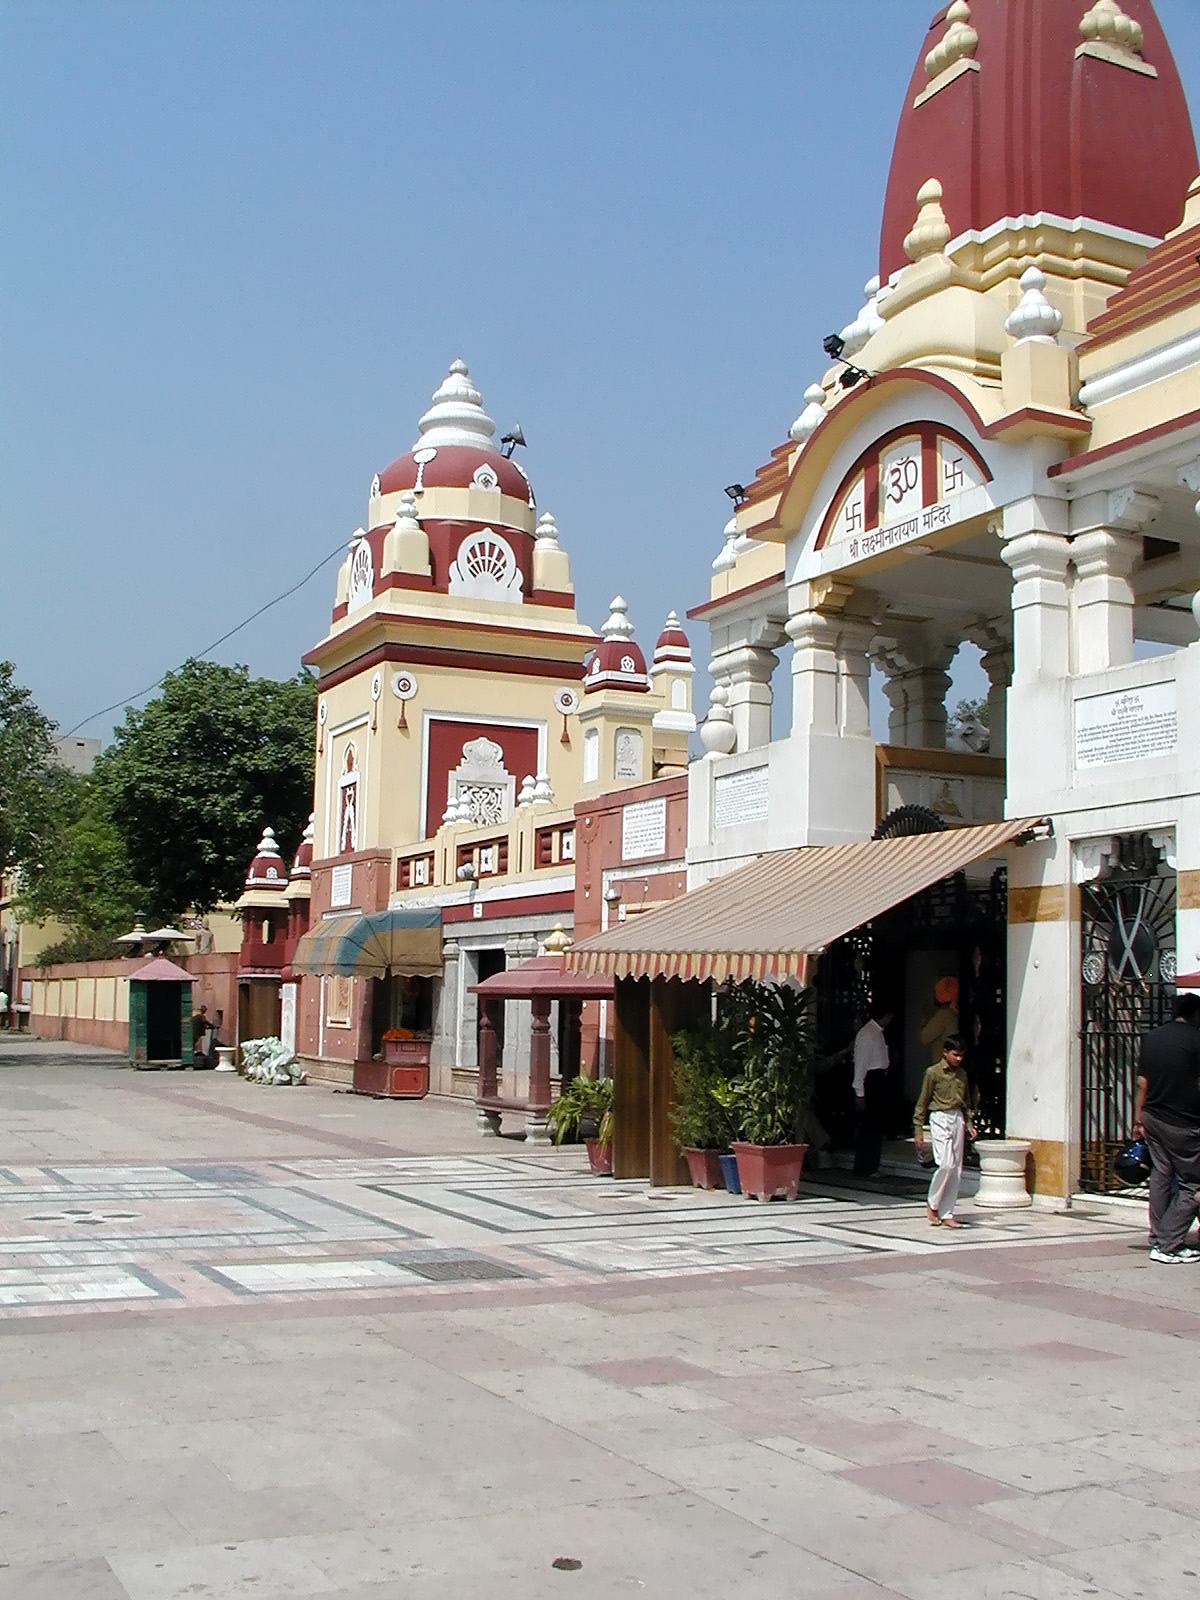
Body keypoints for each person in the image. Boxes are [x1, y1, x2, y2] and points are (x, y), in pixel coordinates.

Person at [1133, 993, 1200, 1264]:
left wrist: (1138, 1120)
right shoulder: (1196, 1040)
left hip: (1152, 1118)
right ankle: (1168, 1243)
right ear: (1195, 1014)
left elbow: (1142, 1083)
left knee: (1161, 1175)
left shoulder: (1152, 1038)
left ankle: (1157, 1236)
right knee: (1193, 1185)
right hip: (1184, 1123)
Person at [914, 1034, 976, 1228]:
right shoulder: (933, 1073)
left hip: (957, 1117)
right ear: (945, 1052)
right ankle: (932, 1204)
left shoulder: (962, 1075)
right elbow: (923, 1102)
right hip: (940, 1116)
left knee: (956, 1169)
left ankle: (947, 1212)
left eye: (961, 1055)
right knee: (946, 1164)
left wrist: (970, 1123)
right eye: (955, 1054)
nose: (958, 1059)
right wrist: (918, 1129)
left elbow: (966, 1102)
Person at [852, 1006, 893, 1177]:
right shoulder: (867, 1034)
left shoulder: (878, 1032)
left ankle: (872, 1165)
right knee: (869, 1126)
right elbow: (860, 1066)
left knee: (876, 1126)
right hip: (871, 1080)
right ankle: (865, 1167)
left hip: (879, 1079)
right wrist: (859, 1093)